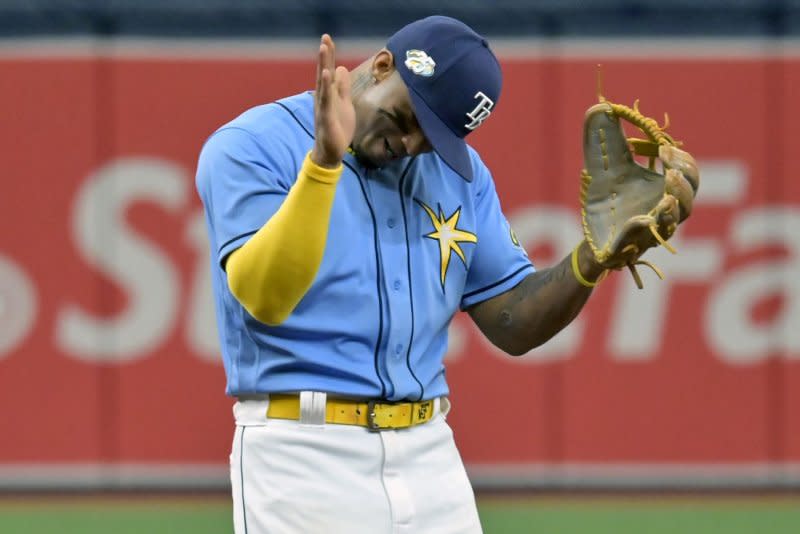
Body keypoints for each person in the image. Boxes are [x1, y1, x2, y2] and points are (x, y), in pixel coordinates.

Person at [195, 15, 692, 534]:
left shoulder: (462, 175)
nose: (411, 145)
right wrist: (323, 163)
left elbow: (512, 321)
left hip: (430, 452)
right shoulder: (251, 145)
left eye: (433, 136)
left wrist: (592, 261)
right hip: (302, 451)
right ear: (382, 66)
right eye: (408, 119)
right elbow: (263, 297)